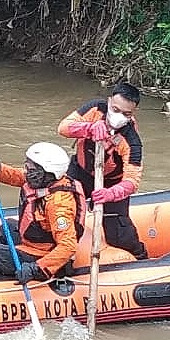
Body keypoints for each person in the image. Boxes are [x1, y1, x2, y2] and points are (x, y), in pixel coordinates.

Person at [57, 81, 148, 260]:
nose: (119, 116)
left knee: (119, 234)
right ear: (109, 102)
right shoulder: (94, 109)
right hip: (80, 171)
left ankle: (140, 257)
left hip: (112, 183)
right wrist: (89, 128)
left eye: (126, 114)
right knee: (62, 210)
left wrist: (111, 194)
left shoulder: (132, 141)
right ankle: (60, 256)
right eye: (115, 109)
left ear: (133, 113)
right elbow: (63, 128)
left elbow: (132, 181)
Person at [0, 142, 85, 283]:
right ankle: (4, 269)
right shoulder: (44, 181)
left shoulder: (59, 205)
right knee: (7, 226)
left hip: (44, 256)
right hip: (36, 242)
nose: (27, 171)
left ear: (46, 172)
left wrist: (36, 268)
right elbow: (16, 176)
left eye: (31, 169)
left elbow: (68, 246)